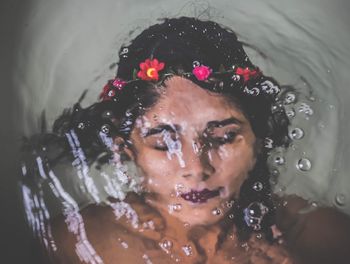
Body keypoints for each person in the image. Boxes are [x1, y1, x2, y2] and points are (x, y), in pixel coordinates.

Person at [23, 17, 350, 264]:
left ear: (259, 140)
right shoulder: (69, 245)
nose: (196, 168)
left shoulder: (325, 237)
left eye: (223, 137)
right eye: (164, 143)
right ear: (125, 149)